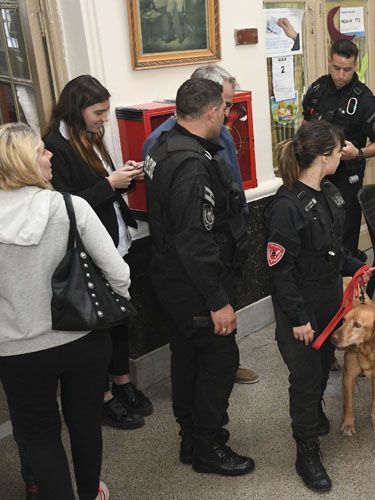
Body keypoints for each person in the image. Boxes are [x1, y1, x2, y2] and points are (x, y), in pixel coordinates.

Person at [0, 122, 128, 500]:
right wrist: (115, 303)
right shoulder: (70, 207)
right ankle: (89, 493)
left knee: (38, 434)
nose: (51, 154)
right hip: (83, 338)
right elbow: (118, 273)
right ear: (23, 161)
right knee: (85, 423)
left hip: (16, 351)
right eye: (41, 150)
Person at [144, 78, 254, 476]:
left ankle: (191, 437)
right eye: (224, 108)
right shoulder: (192, 165)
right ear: (210, 113)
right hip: (194, 285)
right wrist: (218, 301)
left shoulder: (163, 142)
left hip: (169, 278)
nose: (227, 115)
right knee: (219, 361)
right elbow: (194, 240)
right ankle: (208, 445)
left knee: (187, 357)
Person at [265, 120, 372, 491]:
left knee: (324, 364)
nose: (343, 154)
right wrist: (297, 318)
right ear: (325, 157)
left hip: (329, 302)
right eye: (340, 149)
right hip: (302, 309)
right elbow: (280, 272)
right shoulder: (286, 208)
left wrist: (355, 266)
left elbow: (331, 250)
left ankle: (314, 414)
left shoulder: (329, 192)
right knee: (306, 379)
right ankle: (306, 451)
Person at [44, 75, 152, 430]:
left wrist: (124, 178)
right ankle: (104, 397)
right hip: (86, 250)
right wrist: (110, 184)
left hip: (114, 240)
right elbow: (67, 206)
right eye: (99, 112)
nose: (104, 119)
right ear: (78, 109)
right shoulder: (53, 148)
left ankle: (123, 384)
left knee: (118, 319)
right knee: (98, 328)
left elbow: (100, 188)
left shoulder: (90, 136)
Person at [302, 39, 375, 261]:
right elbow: (306, 123)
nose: (341, 75)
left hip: (346, 176)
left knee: (344, 229)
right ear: (329, 61)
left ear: (356, 66)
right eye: (336, 68)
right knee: (317, 229)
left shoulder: (365, 100)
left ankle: (347, 279)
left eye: (347, 70)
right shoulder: (317, 89)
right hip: (315, 174)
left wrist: (358, 152)